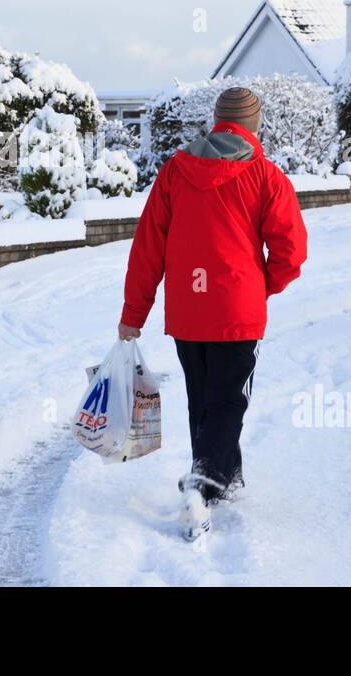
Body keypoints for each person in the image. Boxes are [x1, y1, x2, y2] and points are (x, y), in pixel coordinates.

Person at [117, 87, 308, 541]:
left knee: (205, 399)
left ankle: (227, 478)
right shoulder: (265, 176)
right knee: (228, 401)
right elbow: (291, 250)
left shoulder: (174, 173)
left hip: (188, 311)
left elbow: (148, 248)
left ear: (216, 122)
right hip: (236, 311)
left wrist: (133, 313)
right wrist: (263, 286)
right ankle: (202, 483)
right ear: (254, 126)